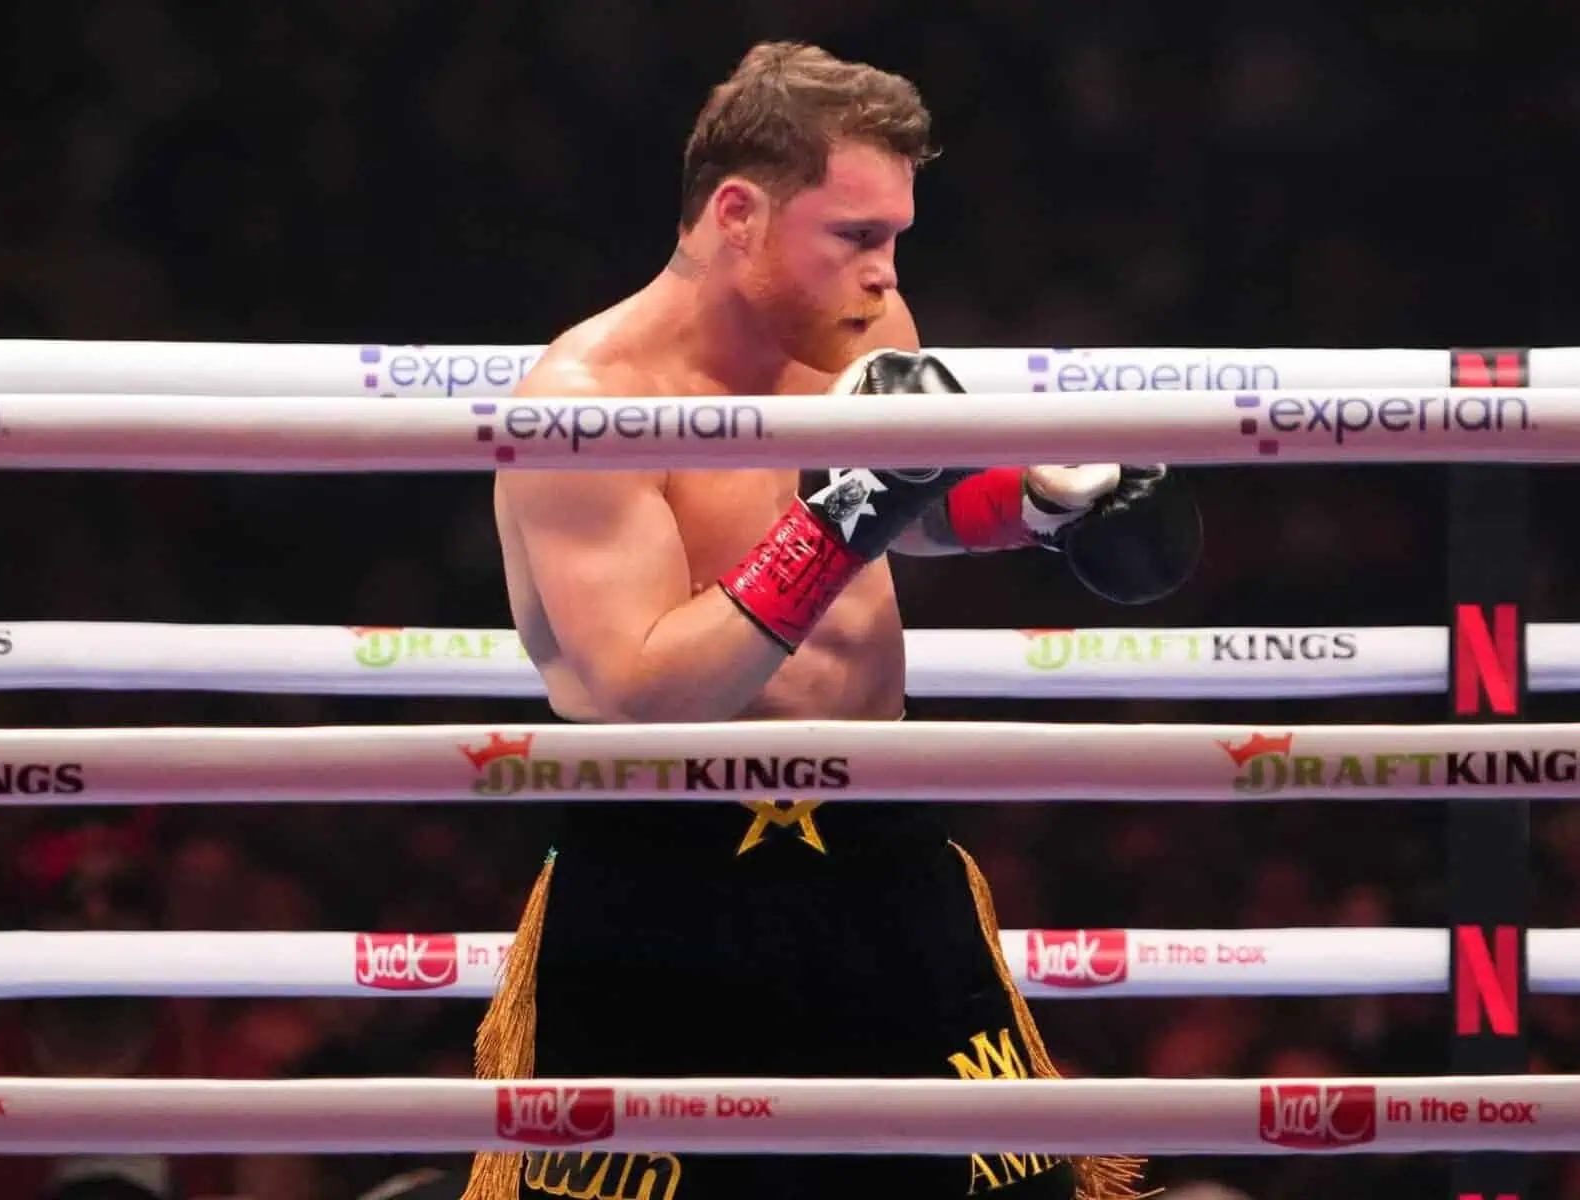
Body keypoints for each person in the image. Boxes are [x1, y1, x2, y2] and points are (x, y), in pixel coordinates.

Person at [466, 41, 1194, 1200]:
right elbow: (644, 695)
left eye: (894, 237)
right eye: (856, 237)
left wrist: (1041, 508)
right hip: (667, 881)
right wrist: (846, 515)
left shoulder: (860, 329)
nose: (884, 273)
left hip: (875, 841)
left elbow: (912, 512)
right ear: (740, 214)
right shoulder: (590, 404)